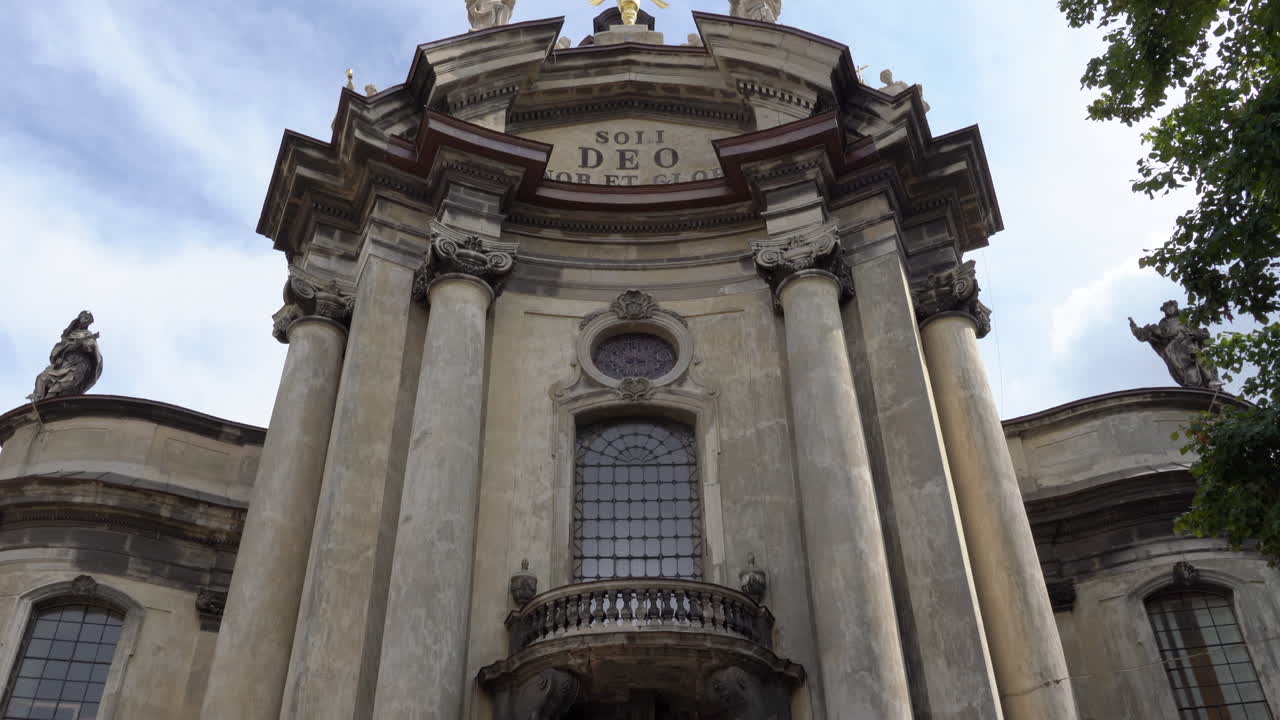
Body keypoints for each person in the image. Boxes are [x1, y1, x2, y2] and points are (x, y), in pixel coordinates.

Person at [1129, 300, 1221, 390]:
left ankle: (1211, 380)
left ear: (1175, 307)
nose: (1169, 310)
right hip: (1176, 347)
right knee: (1189, 365)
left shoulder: (1186, 320)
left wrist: (1198, 335)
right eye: (1166, 308)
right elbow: (1144, 335)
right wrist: (1134, 327)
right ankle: (1194, 386)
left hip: (1190, 343)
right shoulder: (1163, 325)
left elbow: (1199, 330)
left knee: (1201, 359)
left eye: (1171, 307)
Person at [29, 311, 103, 402]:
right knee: (42, 377)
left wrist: (82, 345)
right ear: (79, 318)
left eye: (88, 319)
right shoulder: (70, 334)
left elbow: (91, 347)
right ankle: (38, 400)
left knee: (64, 384)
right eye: (84, 317)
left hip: (78, 363)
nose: (85, 320)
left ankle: (49, 402)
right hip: (64, 363)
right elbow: (59, 348)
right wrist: (62, 353)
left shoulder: (88, 335)